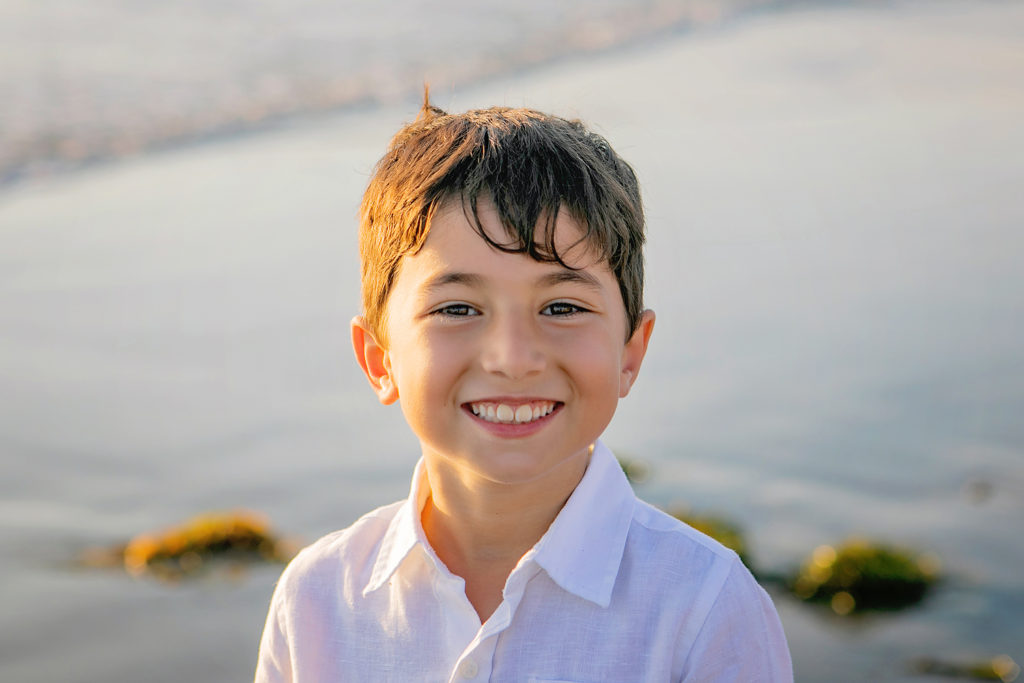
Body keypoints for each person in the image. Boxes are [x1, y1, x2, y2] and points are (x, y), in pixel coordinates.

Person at [254, 95, 792, 682]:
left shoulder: (703, 608)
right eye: (458, 308)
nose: (513, 358)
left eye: (561, 306)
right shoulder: (317, 601)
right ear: (378, 358)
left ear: (630, 352)